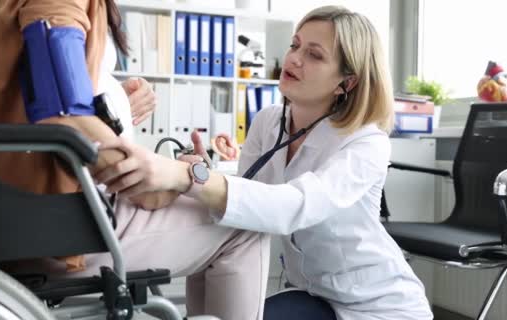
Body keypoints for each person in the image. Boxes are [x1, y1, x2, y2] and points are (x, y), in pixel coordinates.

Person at [98, 5, 434, 320]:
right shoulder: (268, 122)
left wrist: (193, 177)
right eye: (295, 45)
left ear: (347, 82)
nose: (294, 59)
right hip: (312, 295)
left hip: (376, 305)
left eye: (314, 55)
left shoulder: (366, 142)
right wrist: (205, 171)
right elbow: (248, 206)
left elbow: (294, 207)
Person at [0, 1, 269, 320]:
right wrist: (163, 186)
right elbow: (63, 116)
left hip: (13, 213)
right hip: (52, 227)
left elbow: (47, 97)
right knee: (244, 225)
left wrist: (116, 105)